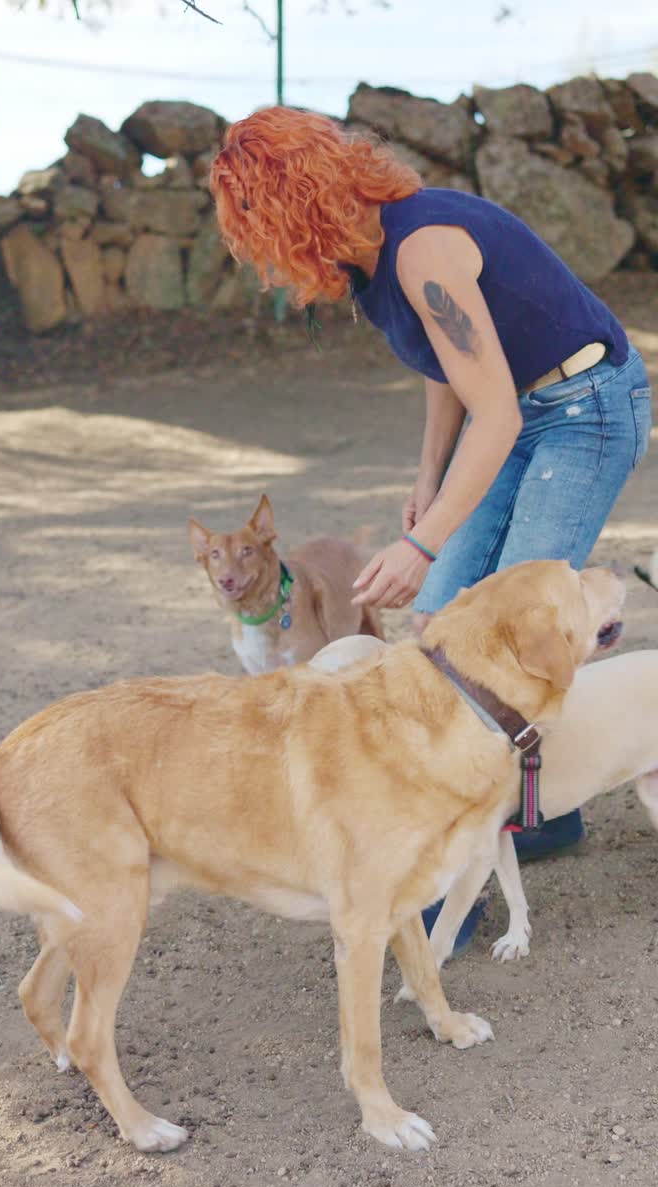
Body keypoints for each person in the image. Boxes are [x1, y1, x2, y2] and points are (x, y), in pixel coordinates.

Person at [210, 106, 652, 920]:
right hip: (513, 409)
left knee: (514, 628)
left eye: (260, 230)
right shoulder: (370, 261)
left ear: (289, 209)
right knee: (444, 626)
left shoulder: (424, 249)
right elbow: (444, 364)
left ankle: (469, 873)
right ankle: (522, 805)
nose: (266, 258)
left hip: (585, 406)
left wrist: (421, 540)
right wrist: (429, 477)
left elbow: (500, 415)